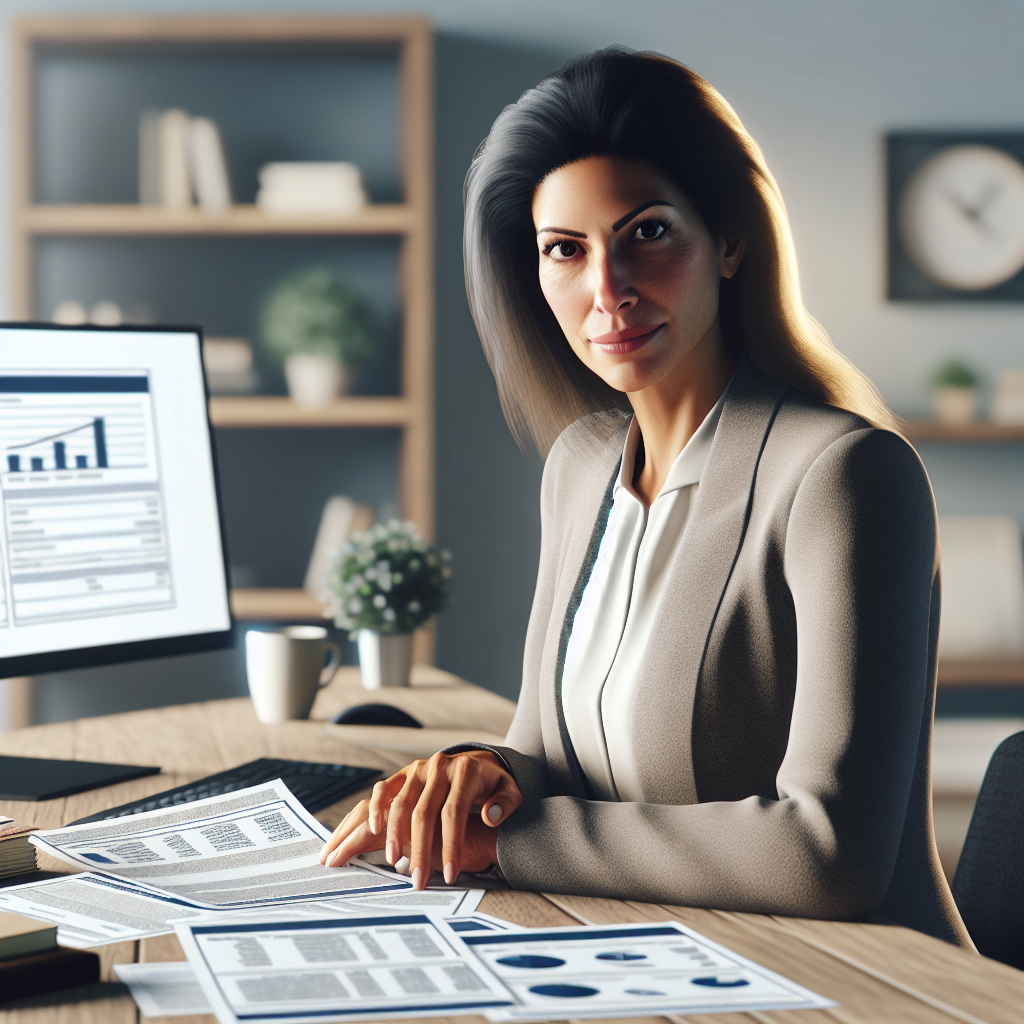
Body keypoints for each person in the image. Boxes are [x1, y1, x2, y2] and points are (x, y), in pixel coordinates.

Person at [321, 48, 971, 947]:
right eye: (566, 250)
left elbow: (829, 850)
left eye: (649, 233)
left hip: (863, 980)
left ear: (731, 241)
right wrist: (482, 774)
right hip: (654, 948)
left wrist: (509, 840)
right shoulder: (580, 467)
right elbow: (550, 753)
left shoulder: (846, 475)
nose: (609, 291)